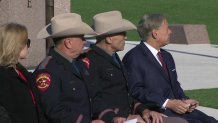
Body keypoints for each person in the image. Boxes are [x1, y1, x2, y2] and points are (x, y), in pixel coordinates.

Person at [81, 11, 188, 123]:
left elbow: (127, 93)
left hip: (132, 115)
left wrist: (144, 110)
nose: (126, 38)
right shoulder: (91, 61)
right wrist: (115, 117)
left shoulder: (114, 57)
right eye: (122, 33)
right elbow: (93, 100)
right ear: (109, 39)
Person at [122, 13, 218, 123]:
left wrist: (185, 101)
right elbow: (135, 90)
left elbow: (175, 85)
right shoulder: (134, 57)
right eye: (167, 28)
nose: (170, 32)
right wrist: (167, 103)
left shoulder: (166, 56)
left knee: (211, 121)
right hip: (157, 111)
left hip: (178, 110)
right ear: (155, 33)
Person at [32, 13, 104, 123]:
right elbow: (54, 110)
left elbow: (91, 97)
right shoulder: (47, 70)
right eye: (81, 37)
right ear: (68, 43)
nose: (85, 41)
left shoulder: (79, 63)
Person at [0, 23, 39, 123]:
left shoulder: (20, 70)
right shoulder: (3, 76)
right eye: (27, 42)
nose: (29, 46)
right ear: (16, 45)